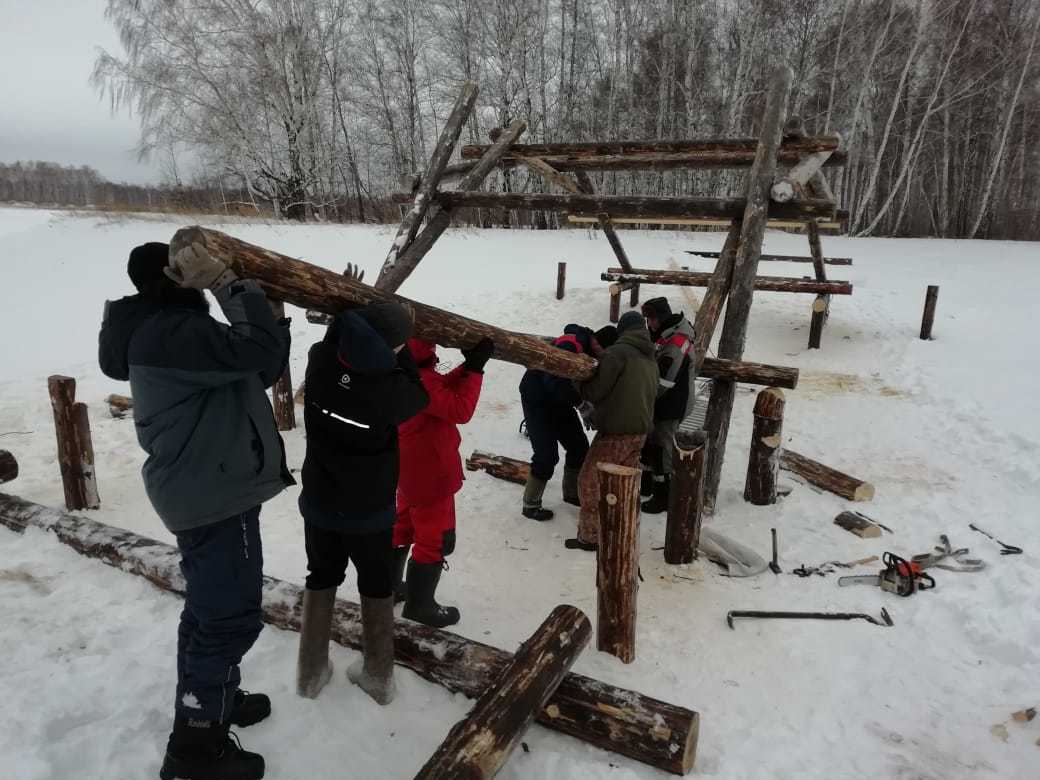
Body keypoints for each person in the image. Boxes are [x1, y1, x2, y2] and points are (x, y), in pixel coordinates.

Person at [99, 241, 292, 780]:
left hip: (208, 485)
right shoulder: (174, 332)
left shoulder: (167, 330)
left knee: (211, 611)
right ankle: (195, 749)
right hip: (212, 494)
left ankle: (215, 702)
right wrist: (231, 287)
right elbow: (253, 356)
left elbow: (257, 367)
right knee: (228, 619)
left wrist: (269, 314)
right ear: (176, 280)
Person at [295, 302, 429, 706]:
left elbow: (335, 338)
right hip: (368, 511)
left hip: (320, 500)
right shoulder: (391, 390)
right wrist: (401, 351)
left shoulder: (320, 362)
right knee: (375, 582)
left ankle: (310, 673)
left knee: (320, 575)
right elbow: (418, 394)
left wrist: (348, 317)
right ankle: (378, 675)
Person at [393, 336, 493, 627]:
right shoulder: (420, 381)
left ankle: (387, 588)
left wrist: (468, 367)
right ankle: (420, 606)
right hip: (431, 472)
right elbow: (459, 410)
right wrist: (475, 370)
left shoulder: (402, 375)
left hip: (408, 468)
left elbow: (440, 388)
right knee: (434, 538)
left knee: (402, 526)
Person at [566, 311, 657, 551]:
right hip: (639, 431)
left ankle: (590, 537)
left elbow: (596, 391)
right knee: (623, 484)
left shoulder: (618, 353)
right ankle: (621, 528)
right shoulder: (649, 357)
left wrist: (578, 381)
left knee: (589, 480)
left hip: (617, 431)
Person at [518, 324, 602, 521]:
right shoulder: (571, 344)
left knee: (578, 446)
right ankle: (530, 504)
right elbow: (553, 381)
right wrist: (581, 404)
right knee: (546, 455)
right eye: (600, 346)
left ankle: (571, 493)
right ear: (594, 340)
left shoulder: (582, 347)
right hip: (537, 401)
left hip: (559, 401)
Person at [640, 297, 696, 514]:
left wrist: (643, 397)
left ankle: (663, 494)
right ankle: (646, 484)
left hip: (673, 400)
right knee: (649, 440)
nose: (649, 324)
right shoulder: (662, 334)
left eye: (651, 319)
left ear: (660, 318)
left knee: (663, 444)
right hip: (659, 399)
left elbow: (665, 379)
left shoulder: (677, 341)